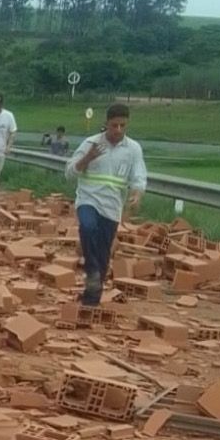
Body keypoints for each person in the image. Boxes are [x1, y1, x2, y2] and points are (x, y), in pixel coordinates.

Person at [65, 104, 147, 306]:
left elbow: (139, 177)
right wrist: (88, 158)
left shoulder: (133, 149)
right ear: (106, 124)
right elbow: (69, 173)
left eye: (122, 126)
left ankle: (91, 298)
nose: (118, 130)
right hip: (88, 200)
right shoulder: (91, 143)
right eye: (114, 125)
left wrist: (137, 195)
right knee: (87, 226)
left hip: (112, 207)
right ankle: (91, 270)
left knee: (103, 254)